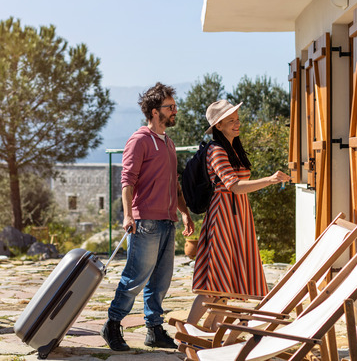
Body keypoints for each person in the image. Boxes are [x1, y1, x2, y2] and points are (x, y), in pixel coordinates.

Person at [101, 82, 194, 351]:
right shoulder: (139, 140)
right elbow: (127, 180)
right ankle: (113, 324)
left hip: (167, 221)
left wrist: (184, 213)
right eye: (170, 107)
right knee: (135, 276)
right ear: (155, 112)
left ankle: (153, 329)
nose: (175, 110)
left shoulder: (170, 144)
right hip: (145, 222)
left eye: (174, 106)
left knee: (161, 280)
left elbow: (173, 184)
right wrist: (128, 216)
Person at [188, 99, 290, 323]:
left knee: (226, 279)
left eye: (237, 119)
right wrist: (270, 179)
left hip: (238, 215)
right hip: (223, 215)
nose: (237, 123)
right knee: (214, 280)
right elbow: (233, 186)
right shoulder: (216, 150)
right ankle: (186, 332)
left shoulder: (233, 149)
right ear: (218, 126)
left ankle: (211, 330)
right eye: (230, 120)